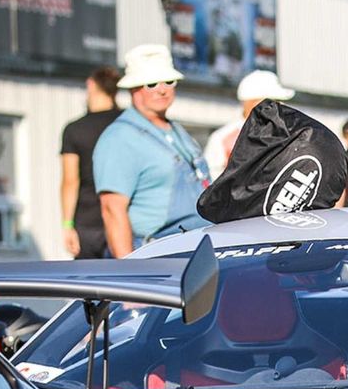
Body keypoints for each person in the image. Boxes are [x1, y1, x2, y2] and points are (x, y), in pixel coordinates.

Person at [94, 44, 210, 258]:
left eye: (169, 81)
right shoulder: (119, 138)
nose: (162, 89)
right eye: (151, 84)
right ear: (133, 88)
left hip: (195, 249)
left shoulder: (178, 131)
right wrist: (130, 270)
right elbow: (112, 210)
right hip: (158, 254)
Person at [59, 67, 122, 259]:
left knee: (87, 276)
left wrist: (67, 225)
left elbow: (70, 181)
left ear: (91, 85)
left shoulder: (75, 129)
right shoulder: (128, 124)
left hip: (87, 223)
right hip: (122, 217)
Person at [204, 69, 296, 179]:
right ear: (253, 103)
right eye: (275, 100)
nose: (281, 105)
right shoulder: (223, 139)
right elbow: (209, 180)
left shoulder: (289, 135)